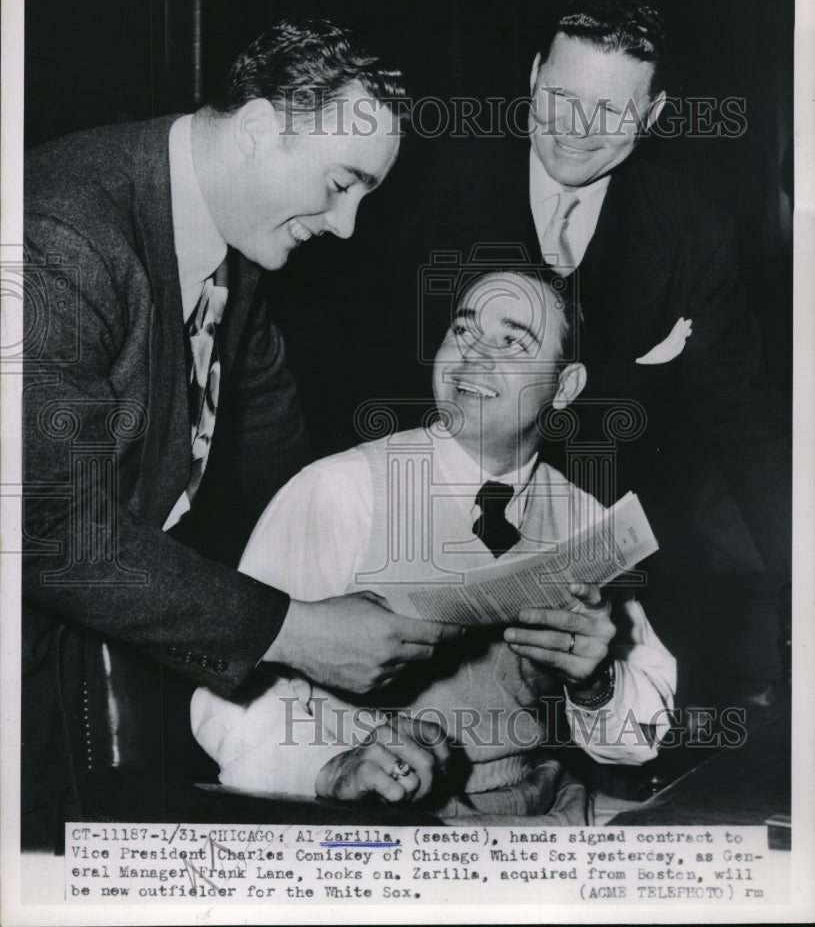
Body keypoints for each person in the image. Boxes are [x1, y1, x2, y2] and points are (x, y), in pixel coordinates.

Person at [22, 19, 461, 846]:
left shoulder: (235, 245)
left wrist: (355, 580)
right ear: (259, 129)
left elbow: (270, 447)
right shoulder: (62, 235)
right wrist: (295, 631)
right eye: (341, 183)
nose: (346, 225)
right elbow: (44, 526)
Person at [405, 0, 790, 711]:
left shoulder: (693, 233)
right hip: (426, 555)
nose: (575, 132)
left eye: (610, 112)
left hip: (610, 589)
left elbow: (744, 421)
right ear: (530, 77)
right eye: (559, 97)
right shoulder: (421, 190)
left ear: (651, 114)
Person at [192, 270, 676, 824]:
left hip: (543, 822)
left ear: (565, 387)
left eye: (513, 341)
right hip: (381, 831)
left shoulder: (586, 522)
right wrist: (329, 768)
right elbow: (223, 690)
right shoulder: (340, 491)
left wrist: (594, 684)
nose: (473, 355)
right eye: (463, 330)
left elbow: (643, 735)